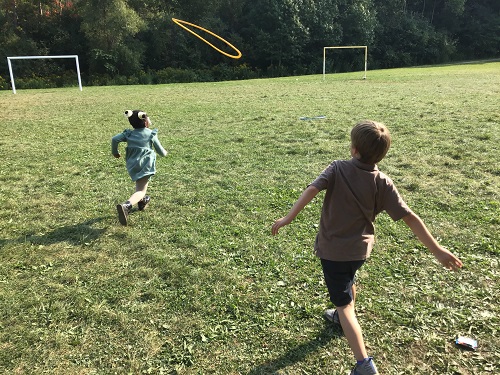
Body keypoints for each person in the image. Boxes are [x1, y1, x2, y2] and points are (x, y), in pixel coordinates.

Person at [271, 120, 462, 375]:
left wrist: (287, 218)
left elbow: (312, 190)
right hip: (359, 252)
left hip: (333, 253)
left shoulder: (337, 168)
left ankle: (363, 364)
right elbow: (410, 217)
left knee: (344, 304)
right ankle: (342, 319)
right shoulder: (383, 182)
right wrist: (437, 249)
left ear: (354, 150)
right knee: (349, 281)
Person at [111, 110, 168, 225]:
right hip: (145, 165)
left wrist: (115, 152)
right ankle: (126, 206)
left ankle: (142, 201)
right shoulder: (150, 133)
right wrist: (165, 153)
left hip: (132, 164)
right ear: (145, 121)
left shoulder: (129, 134)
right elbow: (160, 151)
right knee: (141, 190)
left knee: (140, 186)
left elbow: (114, 139)